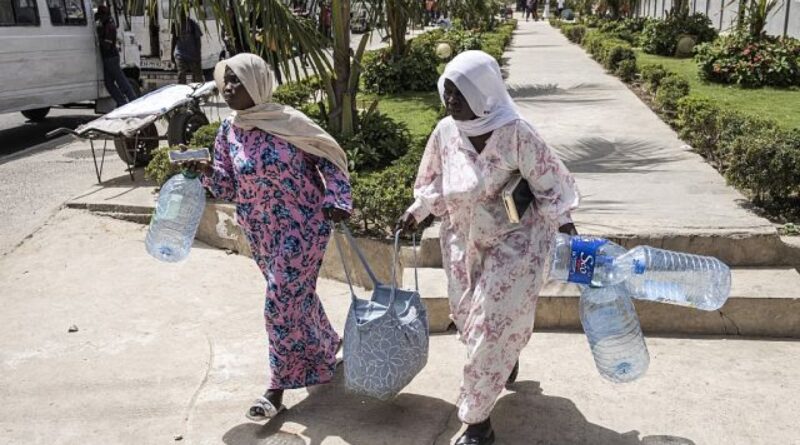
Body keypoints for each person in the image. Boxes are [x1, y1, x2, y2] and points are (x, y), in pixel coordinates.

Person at [396, 51, 579, 445]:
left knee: (491, 325)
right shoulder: (445, 131)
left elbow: (552, 186)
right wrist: (417, 212)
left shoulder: (517, 133)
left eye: (459, 90)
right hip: (463, 241)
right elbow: (432, 179)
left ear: (484, 92)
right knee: (469, 320)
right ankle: (503, 359)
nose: (450, 98)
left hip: (518, 243)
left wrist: (569, 231)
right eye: (447, 89)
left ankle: (477, 421)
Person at [183, 53, 352, 421]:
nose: (227, 88)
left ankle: (276, 387)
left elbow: (331, 160)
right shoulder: (229, 130)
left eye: (236, 81)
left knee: (279, 302)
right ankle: (328, 349)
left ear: (257, 84)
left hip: (303, 226)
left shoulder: (289, 122)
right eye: (224, 81)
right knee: (296, 296)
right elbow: (228, 185)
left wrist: (337, 198)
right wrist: (204, 171)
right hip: (260, 231)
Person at [95, 4, 137, 107]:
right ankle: (122, 103)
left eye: (100, 16)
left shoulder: (109, 26)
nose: (99, 18)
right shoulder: (105, 24)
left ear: (104, 15)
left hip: (111, 58)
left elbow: (107, 45)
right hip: (108, 58)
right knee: (109, 84)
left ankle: (134, 102)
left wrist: (98, 39)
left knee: (121, 81)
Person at [171, 11, 203, 84]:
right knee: (181, 75)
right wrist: (172, 55)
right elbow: (174, 40)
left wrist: (198, 55)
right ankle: (182, 92)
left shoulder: (193, 24)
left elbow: (198, 41)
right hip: (180, 54)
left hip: (192, 55)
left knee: (198, 77)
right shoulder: (176, 24)